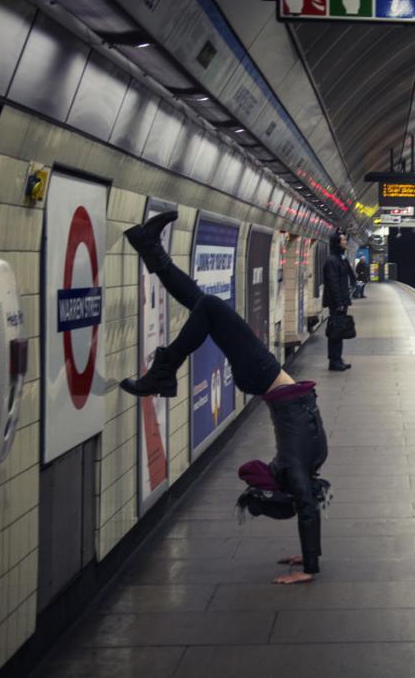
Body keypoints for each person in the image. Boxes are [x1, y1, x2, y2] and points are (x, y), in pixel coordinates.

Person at [120, 212, 327, 584]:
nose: (264, 472)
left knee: (211, 306)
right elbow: (308, 505)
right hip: (264, 376)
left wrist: (308, 570)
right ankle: (151, 249)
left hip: (262, 375)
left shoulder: (297, 464)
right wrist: (308, 555)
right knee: (203, 305)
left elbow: (308, 507)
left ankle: (165, 369)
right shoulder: (302, 466)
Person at [323, 229, 355, 371]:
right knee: (335, 332)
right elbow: (333, 283)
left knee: (340, 331)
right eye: (343, 240)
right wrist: (339, 303)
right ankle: (334, 361)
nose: (345, 242)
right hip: (337, 302)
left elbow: (349, 275)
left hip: (342, 300)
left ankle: (338, 359)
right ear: (337, 243)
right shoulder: (332, 261)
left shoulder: (341, 258)